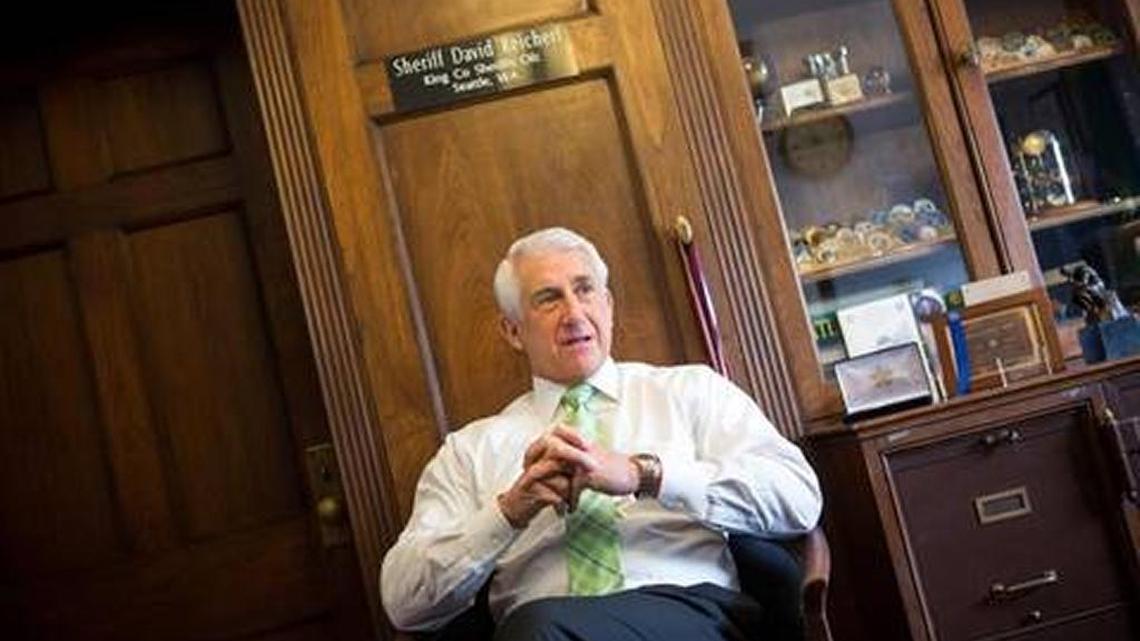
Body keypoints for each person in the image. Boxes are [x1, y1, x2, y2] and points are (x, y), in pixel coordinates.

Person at [380, 227, 822, 641]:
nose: (574, 313)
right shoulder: (470, 450)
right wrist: (509, 513)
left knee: (539, 630)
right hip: (540, 625)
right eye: (549, 299)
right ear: (513, 331)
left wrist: (644, 475)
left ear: (608, 305)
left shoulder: (690, 391)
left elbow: (799, 498)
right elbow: (403, 601)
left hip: (690, 613)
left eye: (585, 289)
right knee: (537, 627)